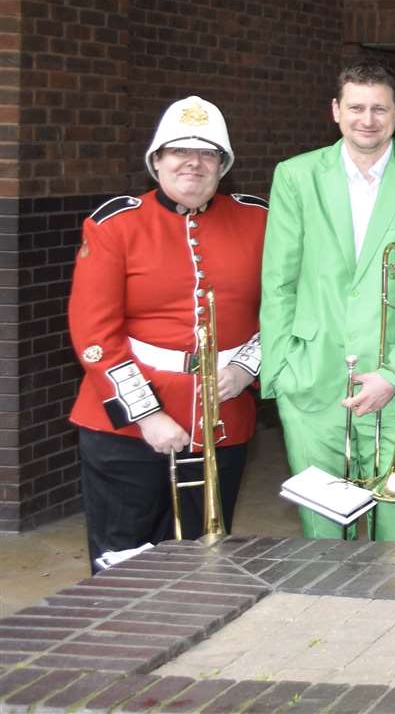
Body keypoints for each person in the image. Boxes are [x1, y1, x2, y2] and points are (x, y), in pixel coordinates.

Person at [68, 97, 267, 570]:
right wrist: (148, 416)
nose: (193, 163)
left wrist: (246, 367)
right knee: (126, 560)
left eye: (208, 153)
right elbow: (95, 333)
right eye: (179, 151)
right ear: (156, 161)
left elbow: (287, 308)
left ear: (224, 165)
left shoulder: (260, 219)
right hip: (126, 425)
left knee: (205, 561)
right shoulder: (115, 224)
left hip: (223, 418)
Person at [259, 63, 395, 541]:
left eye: (379, 108)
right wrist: (282, 369)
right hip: (313, 379)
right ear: (335, 111)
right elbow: (278, 280)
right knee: (323, 526)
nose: (367, 119)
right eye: (356, 108)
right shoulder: (295, 176)